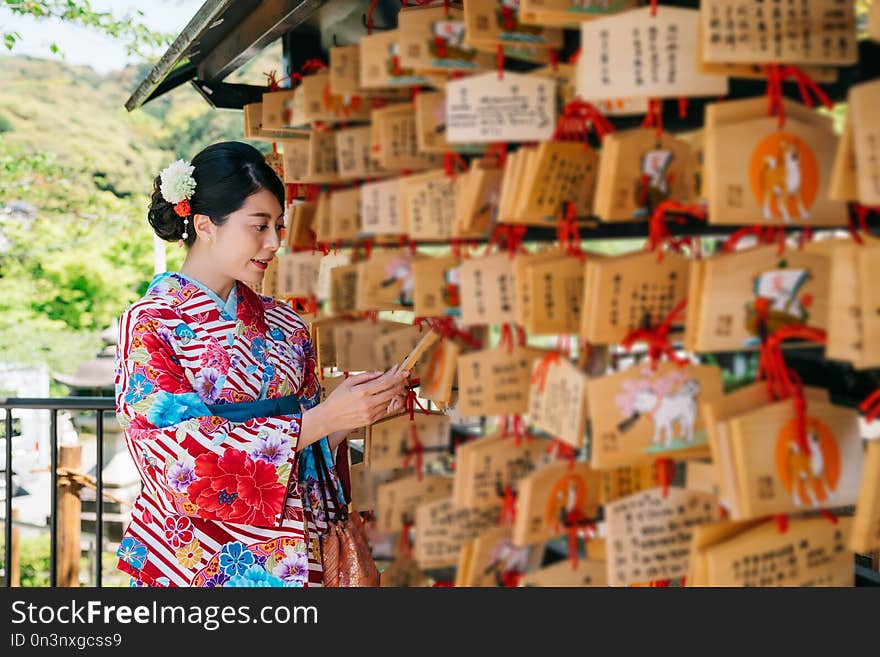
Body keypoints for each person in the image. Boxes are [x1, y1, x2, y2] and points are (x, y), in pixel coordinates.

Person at [114, 141, 408, 587]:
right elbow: (174, 460)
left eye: (278, 226)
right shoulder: (151, 322)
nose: (274, 242)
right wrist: (322, 418)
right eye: (259, 226)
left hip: (296, 552)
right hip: (198, 556)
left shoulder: (286, 324)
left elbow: (311, 449)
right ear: (205, 225)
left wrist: (349, 415)